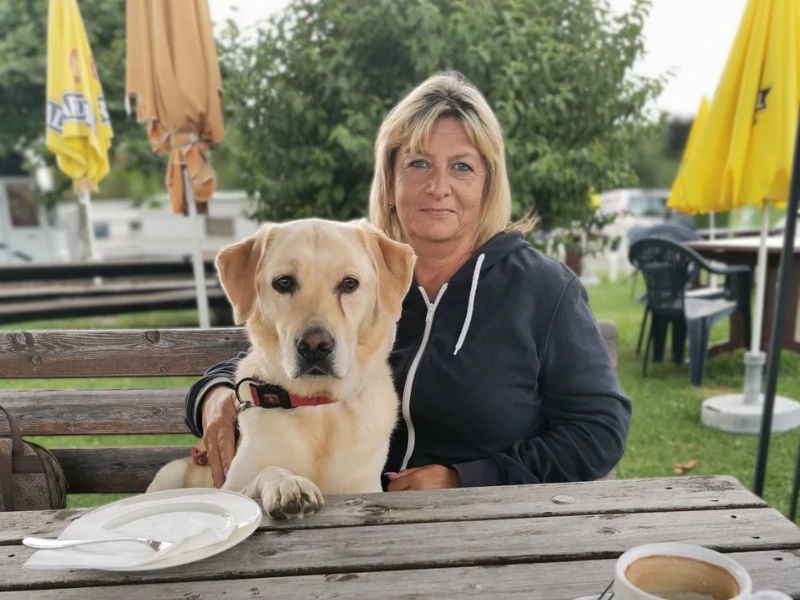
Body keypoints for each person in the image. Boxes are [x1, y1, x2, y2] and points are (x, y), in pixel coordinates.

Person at [184, 70, 632, 492]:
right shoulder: (364, 269)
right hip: (353, 518)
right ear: (391, 183)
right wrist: (215, 393)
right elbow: (281, 348)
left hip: (489, 525)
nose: (439, 186)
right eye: (419, 164)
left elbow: (598, 429)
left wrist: (464, 479)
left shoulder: (543, 289)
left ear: (487, 186)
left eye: (462, 167)